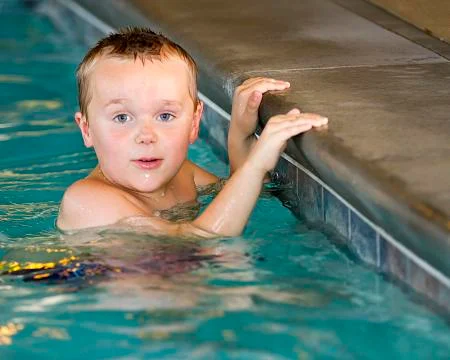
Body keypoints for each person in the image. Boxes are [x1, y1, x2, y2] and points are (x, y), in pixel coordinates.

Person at [57, 27, 328, 237]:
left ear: (194, 122)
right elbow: (200, 239)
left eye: (165, 116)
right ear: (87, 129)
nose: (146, 136)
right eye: (122, 117)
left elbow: (244, 197)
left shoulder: (182, 173)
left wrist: (240, 133)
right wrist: (256, 163)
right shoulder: (86, 199)